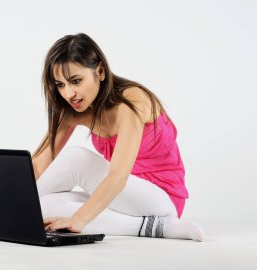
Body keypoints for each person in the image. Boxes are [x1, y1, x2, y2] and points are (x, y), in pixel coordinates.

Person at [31, 33, 204, 241]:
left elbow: (118, 175)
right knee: (42, 207)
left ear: (100, 71)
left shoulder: (132, 103)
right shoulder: (72, 109)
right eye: (60, 85)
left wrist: (79, 220)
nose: (69, 94)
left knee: (76, 159)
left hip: (161, 197)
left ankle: (159, 222)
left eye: (76, 81)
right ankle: (155, 227)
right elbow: (39, 165)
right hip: (122, 199)